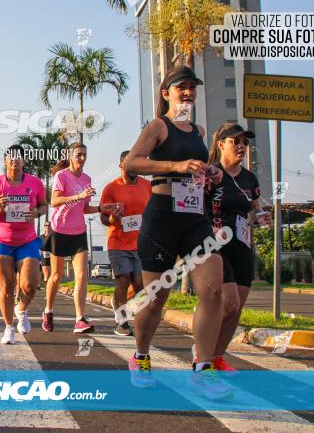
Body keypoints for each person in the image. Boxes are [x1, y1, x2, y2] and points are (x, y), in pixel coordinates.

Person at [123, 66, 230, 400]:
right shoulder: (158, 126)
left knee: (213, 290)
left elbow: (202, 171)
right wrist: (177, 166)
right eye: (181, 87)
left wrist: (211, 173)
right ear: (165, 93)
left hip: (194, 219)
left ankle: (203, 369)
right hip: (161, 219)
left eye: (192, 88)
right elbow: (132, 164)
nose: (188, 93)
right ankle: (140, 356)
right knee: (155, 299)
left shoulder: (199, 131)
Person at [204, 123, 272, 374]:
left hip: (243, 245)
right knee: (228, 304)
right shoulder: (211, 173)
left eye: (245, 142)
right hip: (215, 246)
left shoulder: (249, 178)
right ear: (221, 144)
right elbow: (195, 205)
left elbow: (255, 207)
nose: (242, 146)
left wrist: (262, 216)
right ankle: (203, 351)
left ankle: (216, 357)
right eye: (236, 141)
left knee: (236, 310)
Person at [0, 145, 48, 344]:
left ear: (23, 162)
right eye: (10, 157)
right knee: (7, 284)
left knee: (30, 284)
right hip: (1, 239)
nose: (14, 160)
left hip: (26, 239)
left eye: (18, 157)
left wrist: (36, 213)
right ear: (5, 162)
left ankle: (22, 309)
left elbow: (44, 205)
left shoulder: (35, 183)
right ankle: (9, 327)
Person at [43, 142, 102, 334]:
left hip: (79, 232)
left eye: (85, 154)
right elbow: (55, 201)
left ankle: (79, 319)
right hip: (59, 230)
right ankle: (48, 311)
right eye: (78, 155)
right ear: (70, 156)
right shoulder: (61, 176)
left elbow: (85, 208)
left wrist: (102, 208)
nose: (82, 158)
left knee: (82, 274)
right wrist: (78, 195)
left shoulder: (87, 178)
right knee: (56, 275)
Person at [99, 151, 151, 336]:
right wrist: (114, 217)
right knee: (123, 280)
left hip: (141, 242)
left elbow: (153, 210)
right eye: (130, 163)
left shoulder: (147, 185)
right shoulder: (111, 188)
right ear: (121, 166)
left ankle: (124, 308)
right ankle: (121, 322)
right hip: (118, 242)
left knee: (139, 285)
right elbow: (104, 219)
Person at [39, 221, 53, 289]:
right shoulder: (41, 237)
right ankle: (48, 290)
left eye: (49, 225)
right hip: (44, 257)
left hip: (53, 257)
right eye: (46, 225)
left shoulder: (54, 236)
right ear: (44, 227)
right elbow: (38, 246)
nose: (48, 227)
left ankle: (50, 289)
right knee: (47, 275)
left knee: (52, 276)